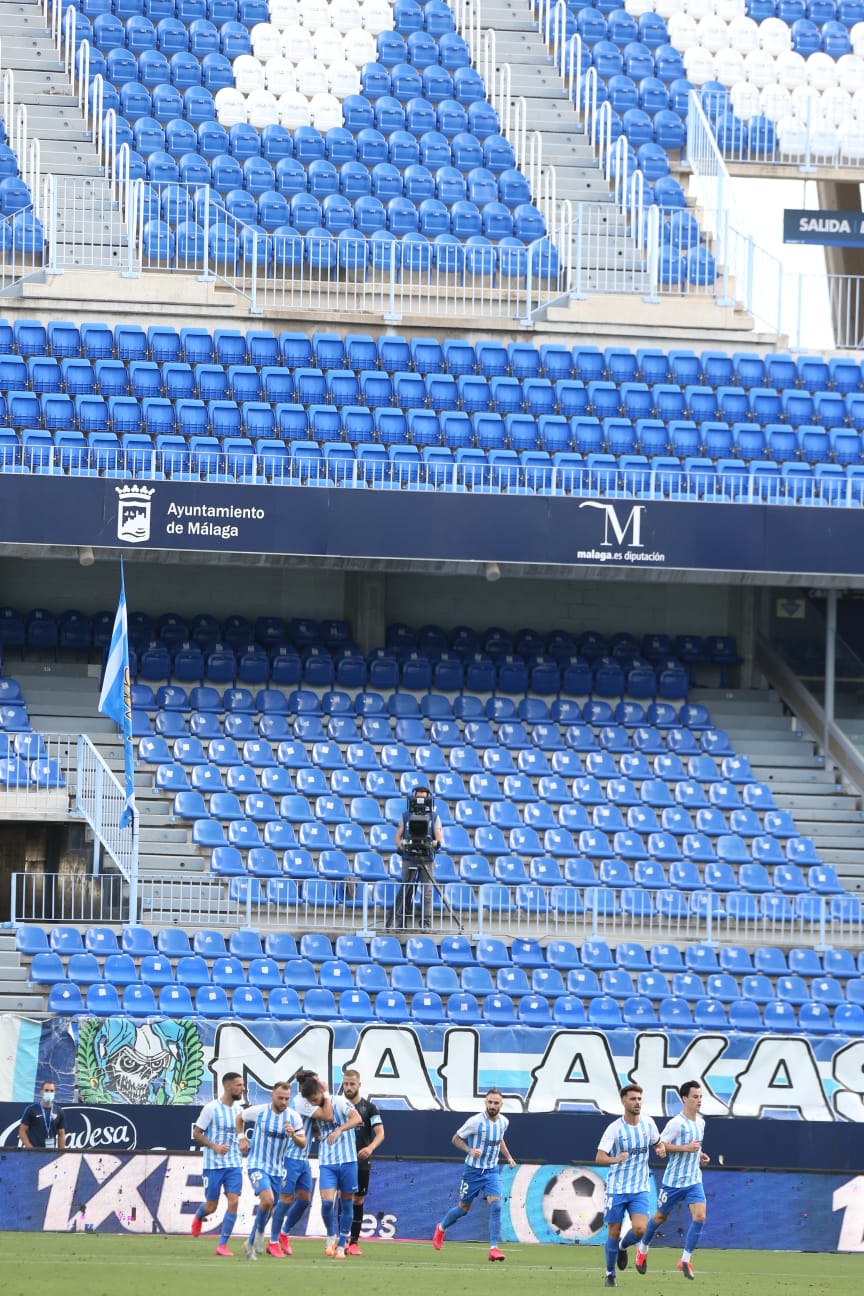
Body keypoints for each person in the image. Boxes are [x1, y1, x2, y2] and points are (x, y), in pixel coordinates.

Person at [634, 1080, 709, 1281]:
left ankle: (685, 1260)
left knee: (700, 1216)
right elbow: (661, 1146)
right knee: (660, 1218)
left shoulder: (701, 1122)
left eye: (701, 1097)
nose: (699, 1100)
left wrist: (700, 1154)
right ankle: (642, 1248)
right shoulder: (676, 1123)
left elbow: (696, 1146)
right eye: (695, 1097)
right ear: (685, 1099)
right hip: (674, 1182)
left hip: (694, 1180)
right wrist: (685, 1148)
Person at [432, 1087, 516, 1262]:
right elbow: (455, 1138)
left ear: (501, 1104)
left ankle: (493, 1248)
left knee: (497, 1206)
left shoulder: (504, 1122)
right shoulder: (475, 1122)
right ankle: (441, 1228)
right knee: (463, 1209)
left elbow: (499, 1139)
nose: (493, 1105)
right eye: (490, 1102)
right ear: (485, 1102)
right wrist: (469, 1150)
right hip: (473, 1172)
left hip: (492, 1171)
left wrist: (508, 1157)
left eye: (496, 1102)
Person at [596, 1082, 666, 1289]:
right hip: (617, 1189)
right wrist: (616, 1159)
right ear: (623, 1101)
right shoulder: (614, 1129)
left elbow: (657, 1143)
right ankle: (610, 1274)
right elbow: (599, 1157)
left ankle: (623, 1247)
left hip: (639, 1188)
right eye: (633, 1099)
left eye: (639, 1099)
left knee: (640, 1228)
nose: (637, 1103)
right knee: (613, 1231)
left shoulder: (649, 1124)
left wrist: (661, 1149)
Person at [294, 1071, 361, 1259]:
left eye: (316, 1098)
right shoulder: (309, 1106)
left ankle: (342, 1245)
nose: (314, 1103)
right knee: (326, 1204)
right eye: (312, 1101)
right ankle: (331, 1236)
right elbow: (326, 1117)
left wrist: (340, 1129)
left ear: (321, 1092)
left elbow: (357, 1119)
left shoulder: (339, 1101)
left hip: (348, 1161)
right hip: (327, 1162)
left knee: (347, 1205)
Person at [241, 1081, 306, 1262]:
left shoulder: (294, 1118)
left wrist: (293, 1135)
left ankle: (250, 1242)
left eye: (287, 1098)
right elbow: (240, 1117)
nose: (284, 1101)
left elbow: (303, 1143)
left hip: (278, 1170)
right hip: (257, 1164)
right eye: (280, 1098)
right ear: (271, 1096)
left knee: (270, 1208)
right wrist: (241, 1138)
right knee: (267, 1199)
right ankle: (261, 1233)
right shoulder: (260, 1111)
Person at [191, 1072, 249, 1257]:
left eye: (242, 1085)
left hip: (234, 1164)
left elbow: (239, 1133)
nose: (243, 1088)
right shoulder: (211, 1108)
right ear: (228, 1087)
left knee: (234, 1201)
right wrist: (214, 1146)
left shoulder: (239, 1110)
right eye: (239, 1085)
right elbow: (197, 1133)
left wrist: (243, 1142)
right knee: (211, 1206)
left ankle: (222, 1245)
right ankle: (199, 1216)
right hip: (213, 1165)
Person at [271, 1068, 319, 1255]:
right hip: (290, 1157)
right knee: (285, 1199)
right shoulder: (300, 1102)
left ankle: (283, 1233)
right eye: (314, 1083)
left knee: (304, 1200)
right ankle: (273, 1241)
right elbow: (325, 1115)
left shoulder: (310, 1102)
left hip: (303, 1159)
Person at [341, 1067, 385, 1256]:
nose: (349, 1087)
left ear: (359, 1085)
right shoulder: (336, 1106)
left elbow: (380, 1133)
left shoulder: (369, 1108)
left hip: (361, 1162)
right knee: (344, 1199)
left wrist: (370, 1148)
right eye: (346, 1084)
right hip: (342, 1160)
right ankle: (342, 1240)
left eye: (352, 1084)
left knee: (358, 1199)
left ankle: (355, 1242)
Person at [389, 785, 444, 929]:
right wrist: (401, 846)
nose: (421, 800)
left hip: (427, 858)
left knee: (427, 893)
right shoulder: (406, 816)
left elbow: (439, 837)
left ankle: (426, 924)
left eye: (424, 797)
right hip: (409, 857)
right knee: (406, 890)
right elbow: (398, 835)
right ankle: (401, 923)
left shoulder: (434, 817)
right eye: (418, 796)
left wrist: (434, 844)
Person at [18, 1080, 66, 1150]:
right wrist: (30, 1148)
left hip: (51, 1153)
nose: (49, 1093)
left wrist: (61, 1153)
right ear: (41, 1092)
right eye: (46, 1090)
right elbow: (22, 1131)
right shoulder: (31, 1109)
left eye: (51, 1091)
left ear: (54, 1093)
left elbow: (61, 1133)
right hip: (35, 1153)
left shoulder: (59, 1111)